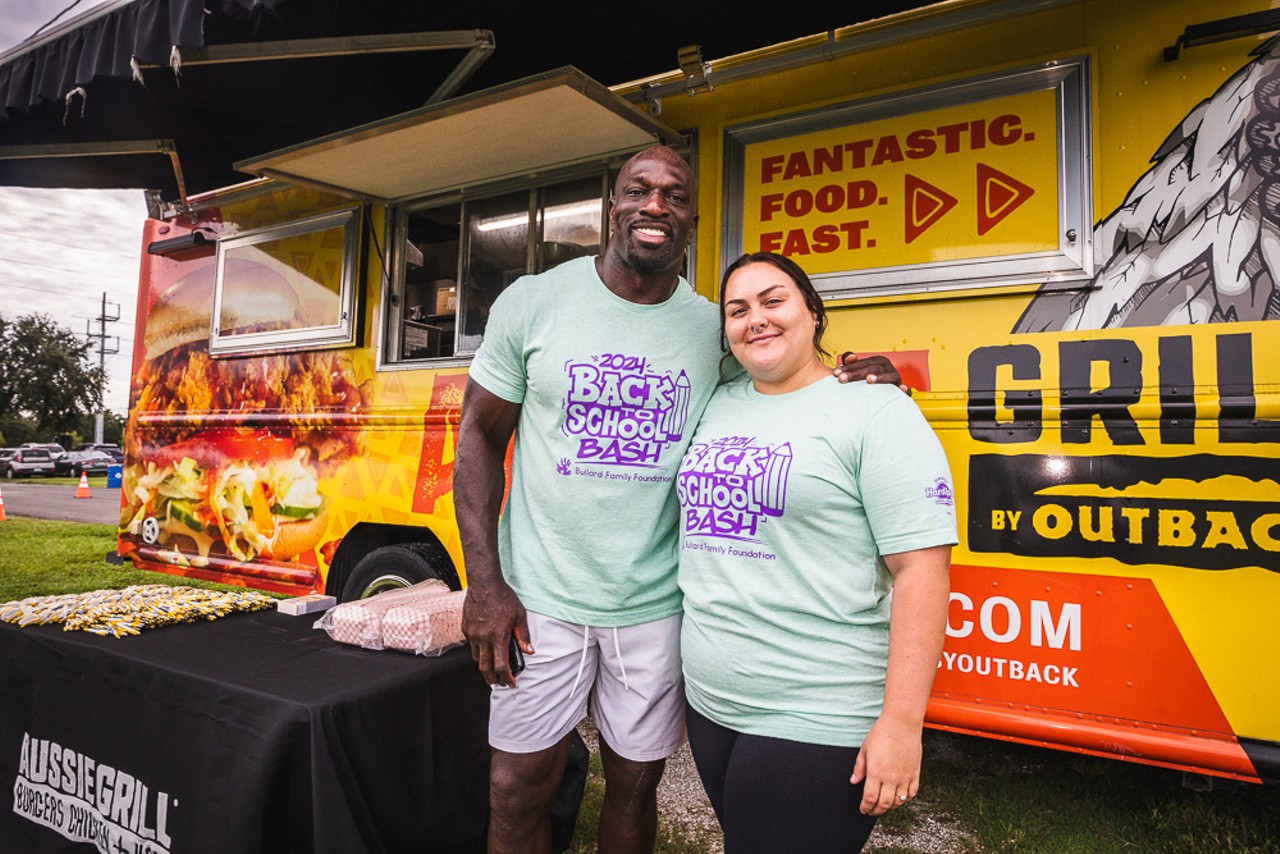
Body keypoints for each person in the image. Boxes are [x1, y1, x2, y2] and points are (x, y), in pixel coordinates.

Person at [455, 146, 902, 853]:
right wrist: (485, 584)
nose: (656, 205)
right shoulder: (534, 302)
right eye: (640, 189)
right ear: (614, 205)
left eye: (674, 195)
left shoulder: (710, 326)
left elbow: (780, 373)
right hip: (540, 598)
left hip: (656, 603)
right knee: (517, 785)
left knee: (635, 784)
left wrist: (861, 372)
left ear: (693, 217)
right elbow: (478, 437)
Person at [676, 252, 956, 853]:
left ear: (813, 312)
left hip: (816, 707)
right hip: (712, 702)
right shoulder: (717, 402)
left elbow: (922, 573)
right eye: (738, 309)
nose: (756, 319)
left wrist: (903, 725)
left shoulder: (877, 410)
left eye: (773, 301)